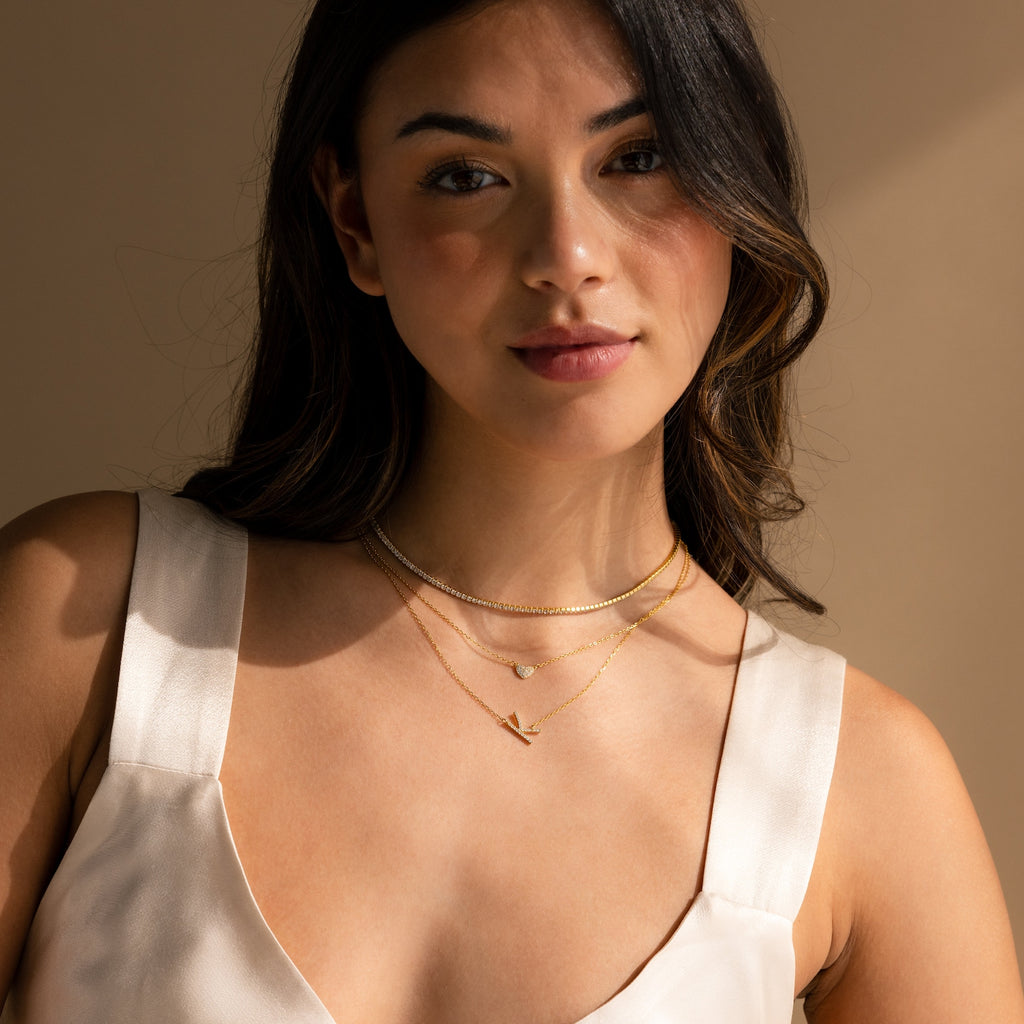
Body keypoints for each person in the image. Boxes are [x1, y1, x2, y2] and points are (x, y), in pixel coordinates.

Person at [1, 0, 1022, 1020]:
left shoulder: (864, 788)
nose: (566, 254)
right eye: (466, 176)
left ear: (735, 178)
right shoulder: (86, 625)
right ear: (355, 221)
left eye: (640, 155)